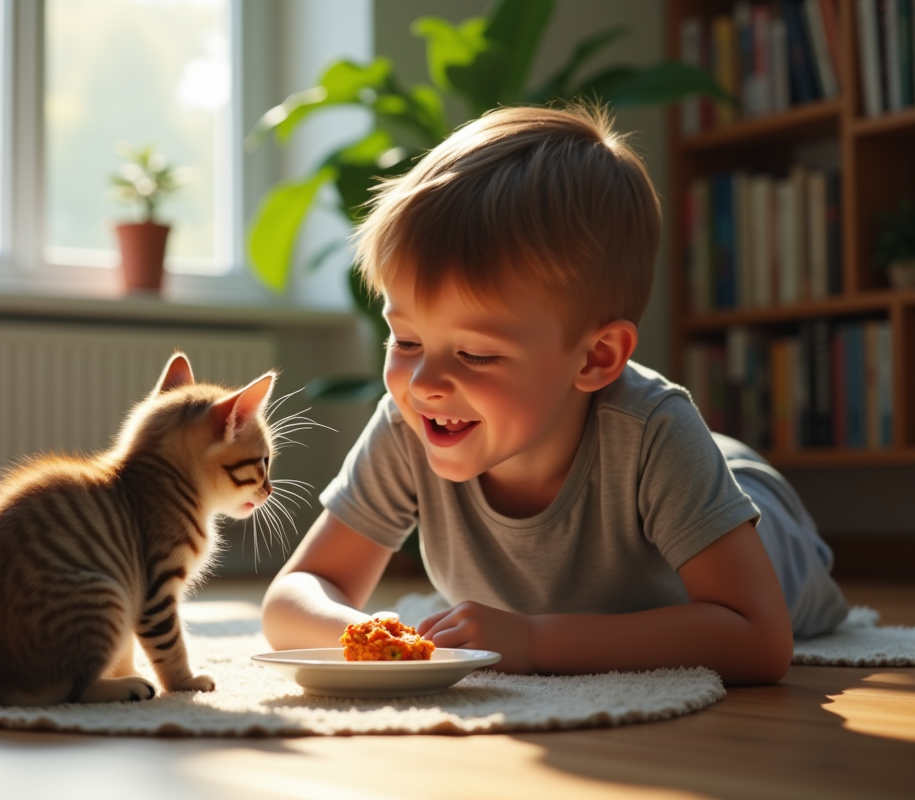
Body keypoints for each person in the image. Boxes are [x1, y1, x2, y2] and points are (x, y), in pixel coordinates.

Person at [260, 105, 848, 684]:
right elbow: (295, 593)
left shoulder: (654, 434)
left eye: (476, 354)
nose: (424, 383)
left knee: (727, 488)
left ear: (595, 358)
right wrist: (361, 636)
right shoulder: (409, 423)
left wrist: (535, 641)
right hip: (639, 452)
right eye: (405, 339)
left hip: (758, 513)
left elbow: (760, 638)